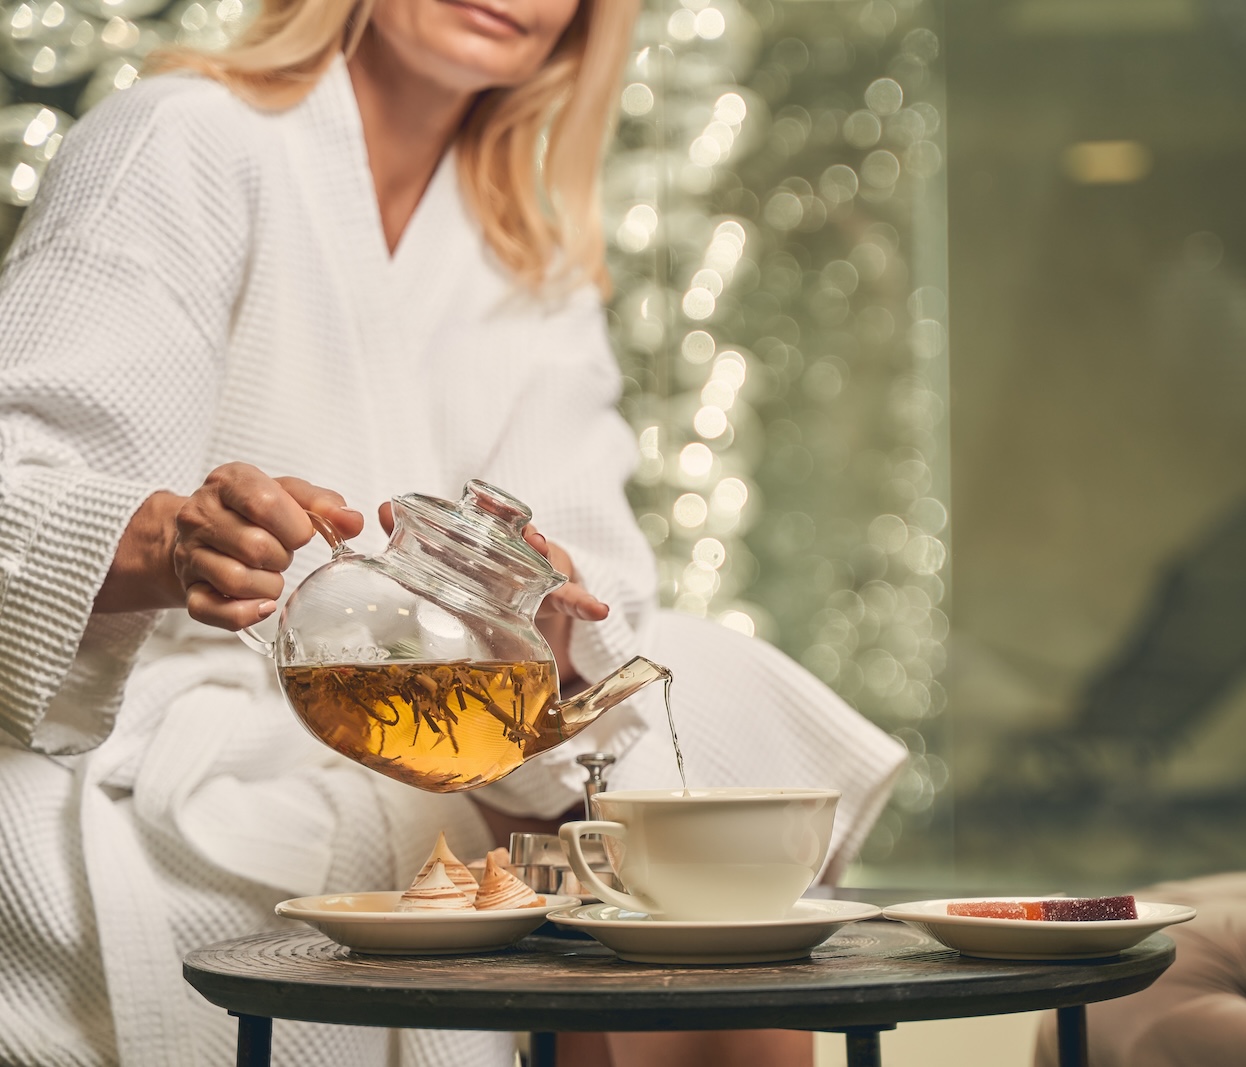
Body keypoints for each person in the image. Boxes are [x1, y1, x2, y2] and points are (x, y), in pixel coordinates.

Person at [0, 1, 906, 1064]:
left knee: (704, 690)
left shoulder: (530, 247)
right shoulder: (182, 136)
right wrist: (168, 539)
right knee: (653, 864)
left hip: (430, 754)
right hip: (141, 752)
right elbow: (20, 483)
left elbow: (597, 589)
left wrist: (558, 607)